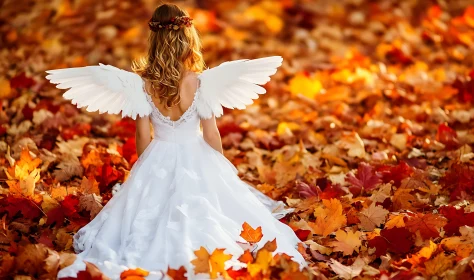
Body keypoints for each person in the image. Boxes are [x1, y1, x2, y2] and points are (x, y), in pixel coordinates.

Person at [48, 3, 308, 279]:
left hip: (158, 153)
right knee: (210, 209)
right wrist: (221, 171)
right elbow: (210, 133)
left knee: (148, 214)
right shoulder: (198, 82)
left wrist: (144, 173)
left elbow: (142, 134)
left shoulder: (142, 84)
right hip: (196, 154)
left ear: (154, 40)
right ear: (188, 39)